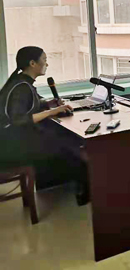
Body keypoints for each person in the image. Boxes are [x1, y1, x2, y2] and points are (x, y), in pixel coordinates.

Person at [0, 46, 88, 205]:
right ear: (32, 63)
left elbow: (32, 104)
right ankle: (84, 188)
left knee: (63, 137)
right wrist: (52, 111)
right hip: (11, 147)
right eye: (44, 60)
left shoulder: (21, 82)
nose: (47, 64)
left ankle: (78, 184)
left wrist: (49, 104)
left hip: (12, 142)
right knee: (70, 143)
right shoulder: (21, 87)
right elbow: (18, 119)